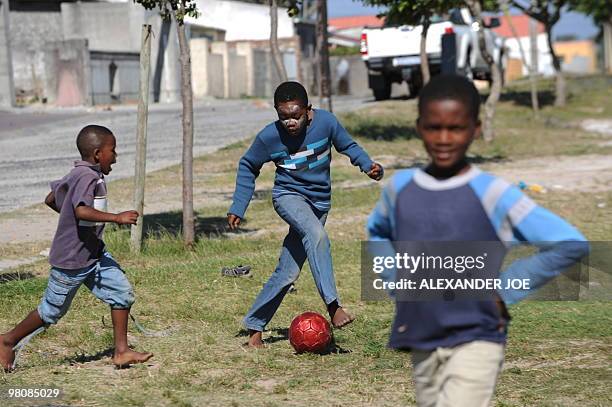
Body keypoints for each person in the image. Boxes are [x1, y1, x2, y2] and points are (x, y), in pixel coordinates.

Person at [366, 74, 588, 406]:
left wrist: (506, 289)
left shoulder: (493, 193)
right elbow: (378, 232)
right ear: (418, 126)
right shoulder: (402, 189)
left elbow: (569, 243)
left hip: (478, 335)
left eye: (455, 128)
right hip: (423, 335)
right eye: (433, 127)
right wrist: (396, 280)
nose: (443, 138)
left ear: (475, 129)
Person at [227, 81, 384, 348]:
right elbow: (248, 164)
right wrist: (238, 206)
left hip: (320, 203)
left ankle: (255, 328)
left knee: (288, 272)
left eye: (296, 115)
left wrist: (367, 165)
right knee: (317, 235)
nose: (290, 122)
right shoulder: (269, 137)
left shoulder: (326, 123)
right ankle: (333, 306)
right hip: (288, 197)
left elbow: (349, 146)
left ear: (308, 111)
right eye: (283, 116)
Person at [0, 125, 153, 371]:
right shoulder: (86, 177)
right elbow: (81, 209)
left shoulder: (80, 173)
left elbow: (52, 198)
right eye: (112, 150)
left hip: (94, 253)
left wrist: (67, 217)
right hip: (72, 259)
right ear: (97, 154)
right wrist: (116, 218)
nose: (116, 156)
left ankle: (122, 352)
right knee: (52, 311)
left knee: (121, 292)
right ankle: (7, 341)